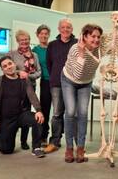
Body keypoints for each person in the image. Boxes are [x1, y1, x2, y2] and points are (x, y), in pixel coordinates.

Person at [0, 56, 45, 157]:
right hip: (5, 119)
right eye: (5, 66)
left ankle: (36, 148)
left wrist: (38, 110)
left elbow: (32, 95)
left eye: (10, 64)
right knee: (6, 150)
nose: (8, 67)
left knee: (37, 119)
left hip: (21, 115)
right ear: (2, 69)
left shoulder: (24, 80)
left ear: (14, 64)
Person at [61, 24, 104, 163]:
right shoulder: (74, 49)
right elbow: (78, 74)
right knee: (71, 112)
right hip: (70, 80)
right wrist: (81, 53)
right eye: (93, 36)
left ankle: (80, 148)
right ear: (84, 36)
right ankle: (69, 148)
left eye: (98, 37)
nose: (96, 39)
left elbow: (112, 46)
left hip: (86, 82)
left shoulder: (99, 50)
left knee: (83, 113)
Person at [44, 18, 78, 153]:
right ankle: (55, 142)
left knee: (73, 114)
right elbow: (49, 64)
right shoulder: (52, 45)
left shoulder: (77, 43)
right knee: (57, 113)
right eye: (63, 27)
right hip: (56, 83)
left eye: (68, 27)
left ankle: (77, 144)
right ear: (59, 29)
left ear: (72, 29)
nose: (65, 30)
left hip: (73, 83)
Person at [7, 30, 41, 150]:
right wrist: (18, 72)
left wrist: (28, 76)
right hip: (15, 88)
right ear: (17, 41)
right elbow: (6, 68)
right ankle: (8, 136)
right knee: (14, 112)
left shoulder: (34, 55)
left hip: (30, 86)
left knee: (26, 113)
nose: (24, 42)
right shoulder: (11, 54)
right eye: (22, 40)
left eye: (26, 39)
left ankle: (24, 141)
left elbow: (39, 72)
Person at [32, 24, 52, 147]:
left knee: (59, 111)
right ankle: (43, 136)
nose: (44, 35)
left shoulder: (53, 47)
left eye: (46, 33)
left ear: (48, 35)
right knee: (45, 109)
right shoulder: (35, 51)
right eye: (41, 33)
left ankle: (56, 138)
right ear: (38, 35)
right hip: (45, 81)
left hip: (58, 82)